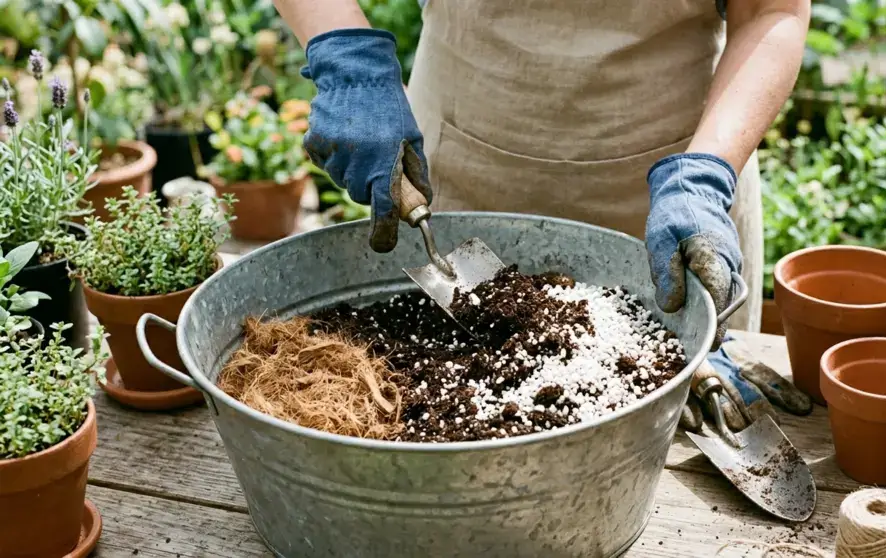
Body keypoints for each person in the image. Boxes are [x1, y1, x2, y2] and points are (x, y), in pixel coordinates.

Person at [275, 0, 813, 432]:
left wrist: (704, 173)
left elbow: (772, 12)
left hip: (675, 183)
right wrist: (345, 58)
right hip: (469, 167)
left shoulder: (690, 181)